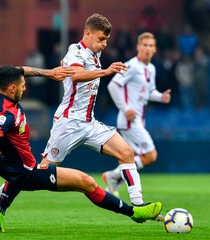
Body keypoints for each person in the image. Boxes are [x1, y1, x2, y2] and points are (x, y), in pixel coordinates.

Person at [0, 65, 163, 232]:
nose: (25, 87)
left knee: (18, 172)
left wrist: (49, 73)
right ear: (12, 88)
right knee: (86, 182)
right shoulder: (6, 115)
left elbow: (20, 70)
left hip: (12, 166)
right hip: (27, 172)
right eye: (23, 85)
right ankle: (135, 212)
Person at [39, 13, 147, 206]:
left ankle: (138, 205)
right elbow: (77, 76)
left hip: (88, 123)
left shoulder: (95, 53)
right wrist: (106, 71)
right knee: (42, 174)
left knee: (126, 153)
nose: (104, 44)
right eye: (101, 39)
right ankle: (2, 195)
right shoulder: (75, 51)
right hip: (68, 122)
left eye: (106, 40)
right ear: (87, 34)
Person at [102, 32, 171, 196]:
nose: (148, 49)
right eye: (145, 45)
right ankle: (113, 177)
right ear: (138, 47)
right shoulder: (131, 65)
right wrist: (125, 109)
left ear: (155, 49)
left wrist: (161, 97)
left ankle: (113, 179)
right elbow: (113, 85)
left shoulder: (151, 68)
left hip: (139, 120)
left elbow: (149, 92)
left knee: (130, 157)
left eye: (151, 46)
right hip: (129, 121)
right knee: (150, 155)